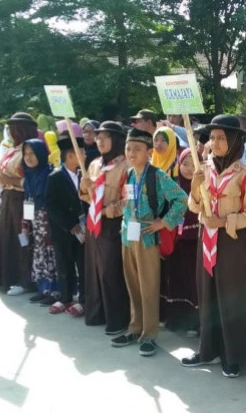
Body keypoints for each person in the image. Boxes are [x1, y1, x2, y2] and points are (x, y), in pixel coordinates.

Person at [181, 114, 246, 378]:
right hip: (207, 240)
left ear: (236, 141)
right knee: (207, 294)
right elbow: (194, 206)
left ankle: (232, 354)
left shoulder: (244, 174)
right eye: (212, 137)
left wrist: (225, 221)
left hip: (230, 242)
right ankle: (208, 350)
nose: (214, 143)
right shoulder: (203, 169)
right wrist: (194, 189)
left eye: (221, 138)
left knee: (230, 296)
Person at [111, 128, 187, 356]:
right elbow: (128, 201)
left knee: (149, 286)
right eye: (128, 149)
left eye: (137, 149)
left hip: (147, 239)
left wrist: (164, 223)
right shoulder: (130, 174)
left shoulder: (157, 175)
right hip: (128, 236)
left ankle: (150, 334)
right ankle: (135, 328)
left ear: (149, 152)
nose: (131, 153)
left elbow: (181, 199)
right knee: (133, 285)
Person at [79, 121, 131, 335]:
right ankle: (96, 313)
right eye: (98, 137)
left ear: (116, 140)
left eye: (105, 137)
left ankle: (117, 318)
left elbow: (129, 199)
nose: (100, 141)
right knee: (94, 269)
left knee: (111, 271)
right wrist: (84, 187)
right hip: (94, 221)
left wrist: (109, 211)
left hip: (113, 223)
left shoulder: (126, 167)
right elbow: (85, 196)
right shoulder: (94, 165)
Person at [0, 112, 38, 293]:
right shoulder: (11, 150)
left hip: (23, 200)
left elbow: (30, 180)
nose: (10, 133)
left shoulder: (30, 150)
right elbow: (1, 176)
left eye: (13, 129)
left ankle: (23, 280)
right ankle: (2, 277)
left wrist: (8, 179)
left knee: (23, 238)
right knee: (3, 237)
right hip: (7, 198)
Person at [160, 149, 201, 335]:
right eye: (185, 164)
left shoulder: (202, 189)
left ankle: (194, 322)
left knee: (192, 281)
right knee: (176, 279)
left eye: (194, 165)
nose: (189, 169)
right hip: (175, 241)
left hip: (194, 242)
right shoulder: (173, 186)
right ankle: (176, 318)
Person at [45, 135, 87, 316]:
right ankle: (66, 297)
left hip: (83, 228)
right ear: (70, 156)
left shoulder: (84, 175)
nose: (84, 156)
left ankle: (84, 299)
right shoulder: (55, 177)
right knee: (64, 264)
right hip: (64, 229)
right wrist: (70, 224)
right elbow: (51, 206)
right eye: (81, 153)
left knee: (83, 263)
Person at [22, 139, 58, 306]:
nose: (28, 158)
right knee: (39, 255)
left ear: (41, 154)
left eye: (32, 154)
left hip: (49, 223)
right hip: (36, 223)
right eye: (26, 154)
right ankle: (43, 289)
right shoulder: (29, 176)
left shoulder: (50, 175)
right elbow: (27, 201)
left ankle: (55, 291)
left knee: (51, 255)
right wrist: (25, 226)